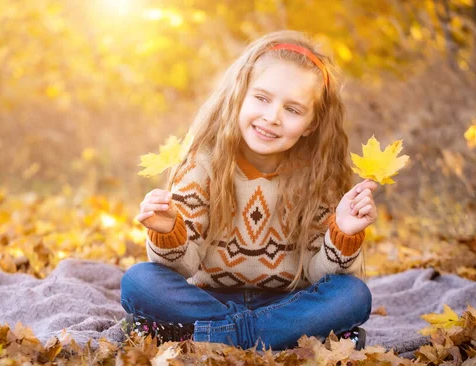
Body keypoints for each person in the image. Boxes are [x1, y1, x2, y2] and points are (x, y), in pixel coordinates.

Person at [121, 29, 378, 351]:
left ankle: (212, 335)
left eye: (293, 110)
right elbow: (183, 267)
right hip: (208, 298)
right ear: (239, 96)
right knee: (140, 281)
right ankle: (265, 337)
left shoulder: (320, 179)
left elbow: (319, 274)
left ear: (311, 124)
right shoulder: (201, 165)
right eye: (261, 98)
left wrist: (342, 233)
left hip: (289, 303)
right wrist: (169, 232)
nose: (272, 117)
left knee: (353, 295)